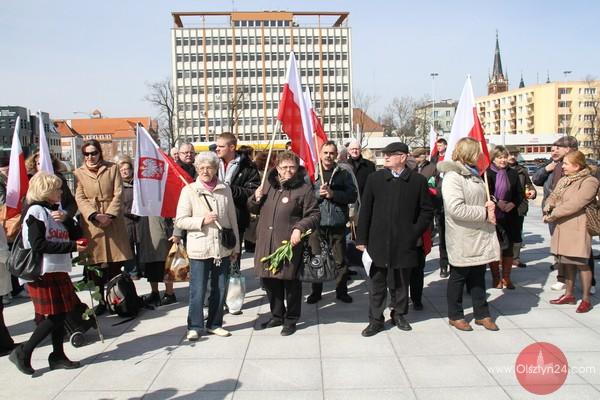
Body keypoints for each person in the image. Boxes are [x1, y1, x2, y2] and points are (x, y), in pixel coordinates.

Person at [9, 172, 87, 375]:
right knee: (55, 315)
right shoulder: (35, 211)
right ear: (45, 190)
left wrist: (67, 220)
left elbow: (77, 234)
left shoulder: (55, 210)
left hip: (57, 268)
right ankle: (24, 351)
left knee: (61, 314)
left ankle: (58, 355)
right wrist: (71, 247)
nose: (61, 192)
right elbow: (38, 245)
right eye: (57, 189)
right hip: (42, 271)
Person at [356, 142, 433, 336]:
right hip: (378, 241)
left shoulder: (417, 181)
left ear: (403, 157)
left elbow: (426, 211)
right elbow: (365, 211)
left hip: (405, 243)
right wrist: (361, 238)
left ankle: (399, 314)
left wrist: (414, 232)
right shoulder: (375, 179)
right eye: (385, 154)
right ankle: (376, 320)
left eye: (391, 154)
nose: (386, 157)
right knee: (377, 283)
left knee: (401, 283)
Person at [249, 151, 319, 336]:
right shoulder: (267, 184)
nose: (288, 171)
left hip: (288, 244)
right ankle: (277, 315)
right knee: (269, 280)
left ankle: (291, 319)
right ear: (277, 168)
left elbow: (314, 214)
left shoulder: (304, 189)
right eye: (284, 167)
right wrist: (255, 198)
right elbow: (253, 208)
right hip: (266, 242)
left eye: (292, 167)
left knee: (290, 282)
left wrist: (299, 228)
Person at [438, 137, 501, 331]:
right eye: (477, 152)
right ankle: (455, 315)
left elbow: (477, 199)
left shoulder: (475, 174)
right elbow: (455, 208)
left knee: (478, 275)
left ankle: (482, 314)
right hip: (463, 236)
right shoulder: (453, 177)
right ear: (468, 153)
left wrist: (490, 203)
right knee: (459, 277)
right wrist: (484, 213)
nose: (480, 156)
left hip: (479, 235)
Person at [175, 152, 240, 340]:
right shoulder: (189, 190)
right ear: (196, 169)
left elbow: (232, 219)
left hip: (222, 247)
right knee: (198, 289)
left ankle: (215, 323)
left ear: (215, 169)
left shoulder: (225, 189)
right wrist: (202, 220)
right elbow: (180, 220)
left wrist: (235, 246)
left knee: (220, 288)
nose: (205, 171)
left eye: (209, 167)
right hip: (199, 248)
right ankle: (195, 326)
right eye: (201, 167)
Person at [73, 140, 133, 315]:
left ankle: (117, 297)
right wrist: (94, 215)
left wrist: (110, 215)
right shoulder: (78, 173)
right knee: (96, 265)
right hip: (92, 224)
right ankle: (100, 300)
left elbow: (119, 193)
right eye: (86, 154)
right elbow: (80, 197)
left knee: (116, 262)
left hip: (113, 222)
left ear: (100, 153)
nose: (90, 157)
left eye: (94, 153)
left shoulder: (112, 168)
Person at [544, 151, 598, 313]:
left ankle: (586, 299)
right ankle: (569, 295)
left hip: (578, 227)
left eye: (566, 164)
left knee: (582, 263)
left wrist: (553, 214)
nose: (563, 167)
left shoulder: (589, 181)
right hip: (562, 226)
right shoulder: (564, 180)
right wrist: (548, 206)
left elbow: (576, 203)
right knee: (566, 262)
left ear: (577, 166)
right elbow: (553, 196)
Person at [306, 141, 357, 304]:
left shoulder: (343, 173)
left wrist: (333, 194)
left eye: (332, 153)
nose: (328, 156)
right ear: (320, 154)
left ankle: (341, 291)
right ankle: (316, 292)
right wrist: (318, 194)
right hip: (317, 223)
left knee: (340, 260)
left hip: (337, 223)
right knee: (317, 259)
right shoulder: (311, 173)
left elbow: (352, 195)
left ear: (336, 155)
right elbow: (304, 197)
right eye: (326, 152)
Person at [532, 136, 578, 291]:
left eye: (558, 148)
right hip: (552, 211)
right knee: (557, 243)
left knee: (580, 246)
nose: (554, 151)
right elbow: (536, 180)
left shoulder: (577, 165)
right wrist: (547, 169)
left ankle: (588, 280)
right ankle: (561, 274)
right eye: (552, 149)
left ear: (568, 149)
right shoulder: (551, 164)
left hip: (571, 211)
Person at [486, 145, 523, 290]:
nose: (502, 160)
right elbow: (486, 192)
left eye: (504, 157)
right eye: (499, 157)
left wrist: (513, 204)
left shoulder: (512, 173)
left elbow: (519, 193)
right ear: (493, 158)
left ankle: (506, 277)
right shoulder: (487, 173)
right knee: (495, 248)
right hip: (494, 216)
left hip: (510, 215)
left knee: (508, 247)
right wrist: (497, 202)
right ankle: (496, 278)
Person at [507, 150, 537, 268]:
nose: (512, 157)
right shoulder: (500, 170)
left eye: (515, 155)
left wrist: (532, 191)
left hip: (519, 205)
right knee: (503, 233)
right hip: (504, 206)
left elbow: (528, 184)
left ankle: (515, 258)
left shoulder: (522, 170)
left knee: (517, 232)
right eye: (510, 154)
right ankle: (502, 258)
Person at [117, 156, 140, 280]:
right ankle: (132, 272)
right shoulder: (118, 186)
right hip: (125, 220)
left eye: (126, 169)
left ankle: (142, 269)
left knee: (141, 245)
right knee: (128, 247)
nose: (125, 172)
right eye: (122, 170)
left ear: (131, 170)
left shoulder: (138, 184)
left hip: (139, 220)